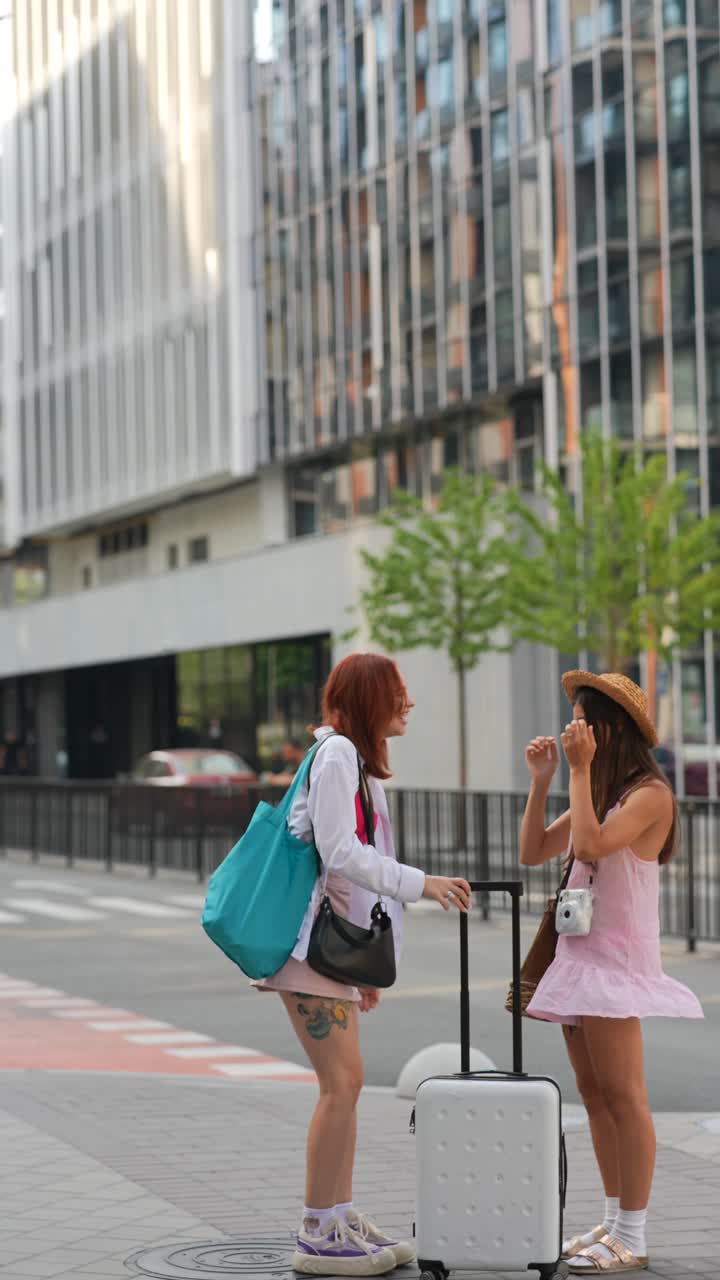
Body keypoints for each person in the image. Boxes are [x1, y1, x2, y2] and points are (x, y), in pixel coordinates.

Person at [254, 652, 472, 1276]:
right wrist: (421, 882)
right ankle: (318, 1229)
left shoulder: (357, 765)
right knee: (342, 1084)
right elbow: (339, 852)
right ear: (372, 697)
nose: (408, 704)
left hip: (331, 954)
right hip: (306, 950)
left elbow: (354, 875)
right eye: (398, 693)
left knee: (346, 1085)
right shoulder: (338, 756)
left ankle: (338, 1216)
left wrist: (365, 970)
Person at [520, 671, 703, 1276]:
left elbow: (594, 846)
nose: (573, 729)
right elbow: (533, 850)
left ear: (609, 728)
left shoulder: (649, 794)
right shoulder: (592, 789)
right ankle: (612, 1219)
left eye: (581, 718)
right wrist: (543, 782)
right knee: (595, 1096)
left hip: (615, 967)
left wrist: (575, 773)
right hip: (577, 963)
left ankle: (635, 1231)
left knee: (626, 1098)